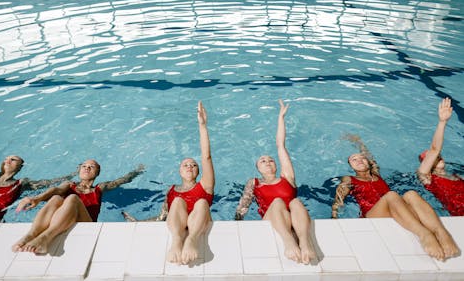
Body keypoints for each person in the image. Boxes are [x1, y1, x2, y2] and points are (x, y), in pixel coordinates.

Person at [332, 134, 459, 261]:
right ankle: (424, 234)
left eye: (362, 158)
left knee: (411, 194)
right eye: (354, 159)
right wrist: (334, 217)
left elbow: (368, 155)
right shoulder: (350, 179)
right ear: (351, 166)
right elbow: (339, 199)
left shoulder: (376, 173)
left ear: (369, 162)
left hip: (394, 209)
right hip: (371, 214)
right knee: (391, 195)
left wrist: (358, 141)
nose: (359, 160)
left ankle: (441, 232)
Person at [122, 101, 215, 266]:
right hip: (178, 224)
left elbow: (206, 156)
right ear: (179, 171)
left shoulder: (205, 185)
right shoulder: (171, 191)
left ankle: (191, 240)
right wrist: (139, 223)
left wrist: (202, 126)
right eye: (185, 164)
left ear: (198, 172)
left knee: (201, 202)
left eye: (194, 165)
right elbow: (163, 216)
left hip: (199, 223)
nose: (190, 166)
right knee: (178, 201)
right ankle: (177, 240)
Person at [234, 100, 316, 265]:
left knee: (296, 202)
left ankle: (305, 243)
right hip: (272, 220)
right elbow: (244, 203)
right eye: (262, 161)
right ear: (258, 168)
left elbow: (280, 145)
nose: (268, 162)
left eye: (270, 160)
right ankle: (289, 241)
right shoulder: (254, 182)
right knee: (278, 202)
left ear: (276, 165)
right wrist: (237, 223)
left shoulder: (287, 177)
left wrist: (281, 117)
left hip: (294, 218)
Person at [12, 159, 144, 254]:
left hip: (87, 223)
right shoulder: (69, 185)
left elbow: (120, 181)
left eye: (91, 166)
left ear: (97, 173)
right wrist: (37, 198)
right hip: (65, 219)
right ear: (79, 170)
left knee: (72, 198)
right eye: (84, 166)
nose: (86, 168)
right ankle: (30, 235)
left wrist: (136, 171)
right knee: (56, 198)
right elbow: (56, 190)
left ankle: (45, 238)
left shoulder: (98, 188)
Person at [0, 155, 77, 228]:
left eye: (13, 159)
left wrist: (73, 175)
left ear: (20, 166)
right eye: (6, 159)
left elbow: (48, 183)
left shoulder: (20, 184)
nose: (8, 160)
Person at [417, 97, 464, 216]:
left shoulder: (456, 175)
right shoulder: (427, 177)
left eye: (439, 156)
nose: (437, 156)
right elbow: (434, 149)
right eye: (432, 157)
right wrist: (442, 122)